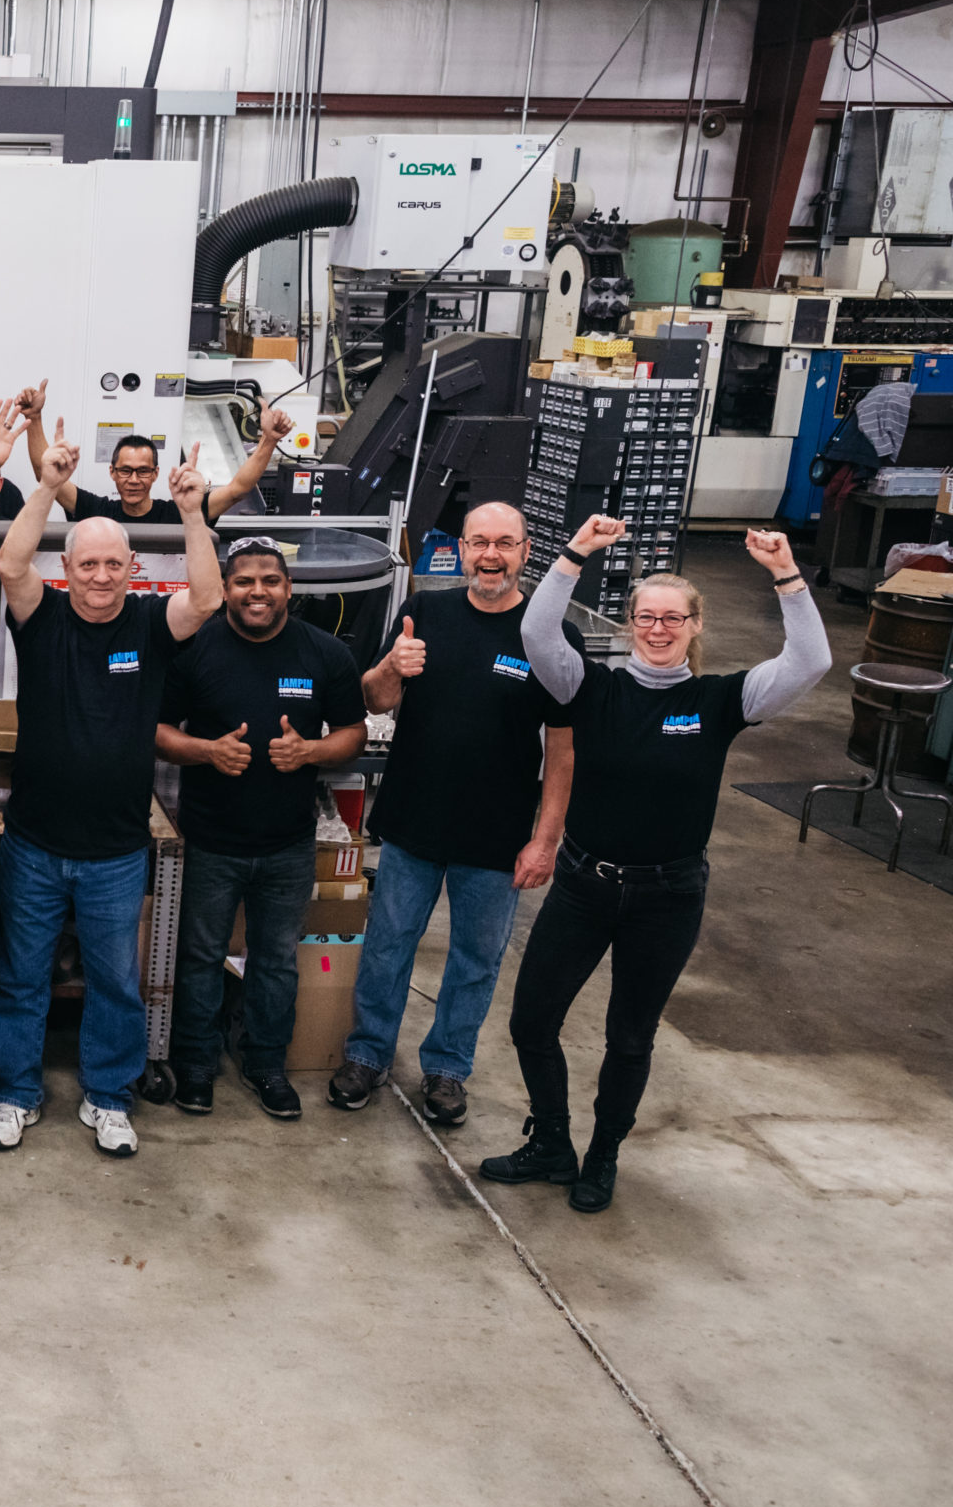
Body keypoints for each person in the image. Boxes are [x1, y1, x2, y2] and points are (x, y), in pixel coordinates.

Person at [482, 519, 828, 1213]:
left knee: (630, 1036)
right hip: (585, 884)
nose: (659, 628)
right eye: (647, 616)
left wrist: (788, 574)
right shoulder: (593, 688)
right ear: (631, 622)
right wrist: (576, 553)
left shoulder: (722, 700)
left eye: (674, 617)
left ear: (695, 624)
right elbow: (537, 635)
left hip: (668, 896)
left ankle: (603, 1153)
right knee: (531, 1020)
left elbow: (810, 662)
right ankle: (552, 1139)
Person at [0, 439, 223, 1159]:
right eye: (86, 563)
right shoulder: (42, 617)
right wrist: (46, 485)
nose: (98, 575)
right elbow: (8, 564)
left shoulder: (150, 625)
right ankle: (17, 1093)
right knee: (20, 976)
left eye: (113, 563)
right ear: (69, 567)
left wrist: (191, 513)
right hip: (31, 842)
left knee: (116, 983)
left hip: (118, 849)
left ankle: (109, 1097)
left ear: (131, 569)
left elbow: (208, 598)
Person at [329, 502, 572, 1129]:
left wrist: (545, 841)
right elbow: (376, 698)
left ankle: (447, 1068)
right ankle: (367, 1054)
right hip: (413, 822)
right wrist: (390, 667)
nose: (491, 556)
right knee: (387, 948)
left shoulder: (546, 634)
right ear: (461, 549)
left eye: (505, 544)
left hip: (496, 835)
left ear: (526, 550)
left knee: (475, 960)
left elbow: (565, 753)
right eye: (479, 543)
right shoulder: (426, 612)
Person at [156, 537, 367, 1120]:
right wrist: (205, 750)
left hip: (289, 844)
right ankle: (196, 1063)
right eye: (243, 581)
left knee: (274, 961)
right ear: (225, 588)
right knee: (198, 956)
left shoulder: (324, 654)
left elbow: (354, 733)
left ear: (288, 588)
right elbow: (154, 729)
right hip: (208, 839)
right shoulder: (195, 648)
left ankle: (266, 1064)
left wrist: (311, 752)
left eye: (269, 580)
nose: (257, 591)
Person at [48, 411, 292, 526]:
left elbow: (238, 490)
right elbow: (48, 479)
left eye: (143, 471)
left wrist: (269, 440)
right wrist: (35, 417)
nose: (134, 479)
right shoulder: (97, 511)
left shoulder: (181, 512)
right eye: (125, 471)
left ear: (155, 474)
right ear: (112, 472)